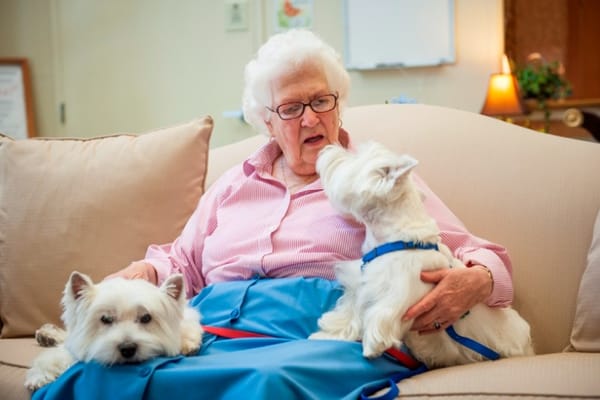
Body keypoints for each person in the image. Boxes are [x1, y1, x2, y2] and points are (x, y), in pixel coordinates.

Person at [33, 29, 513, 400]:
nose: (310, 118)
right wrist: (148, 269)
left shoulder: (376, 180)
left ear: (339, 105)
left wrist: (475, 281)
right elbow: (181, 261)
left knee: (267, 380)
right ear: (265, 121)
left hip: (322, 332)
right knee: (99, 374)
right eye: (290, 108)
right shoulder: (234, 185)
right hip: (218, 325)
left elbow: (479, 254)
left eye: (321, 101)